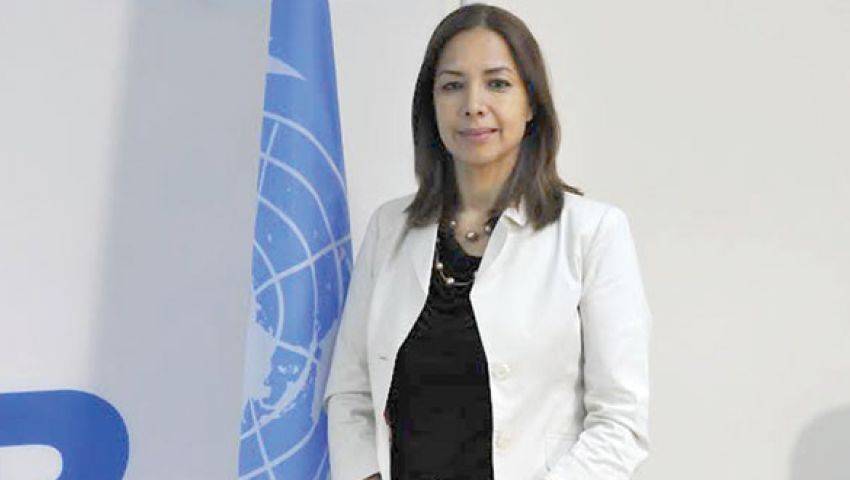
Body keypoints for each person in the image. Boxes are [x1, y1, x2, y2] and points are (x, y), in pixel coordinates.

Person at [323, 4, 652, 480]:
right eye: (452, 85)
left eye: (497, 83)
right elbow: (351, 392)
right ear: (430, 105)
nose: (473, 104)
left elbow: (619, 423)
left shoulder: (593, 232)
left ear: (531, 103)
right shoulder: (389, 228)